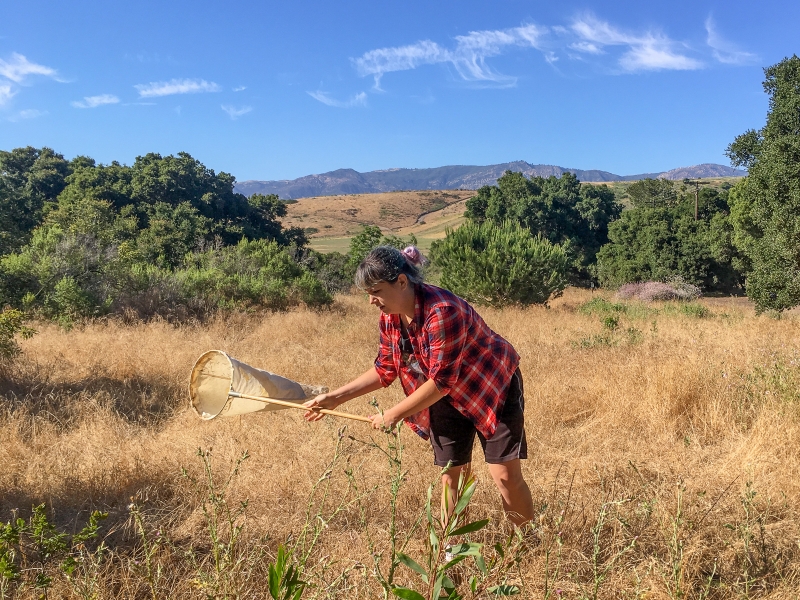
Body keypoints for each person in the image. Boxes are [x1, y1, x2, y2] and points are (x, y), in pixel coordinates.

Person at [303, 245, 534, 527]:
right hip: (443, 398)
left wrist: (393, 414)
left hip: (490, 388)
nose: (371, 301)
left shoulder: (442, 311)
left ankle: (524, 543)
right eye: (368, 294)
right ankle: (449, 556)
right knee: (452, 476)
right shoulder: (390, 317)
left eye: (375, 292)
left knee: (505, 475)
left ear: (401, 282)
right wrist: (335, 398)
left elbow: (441, 382)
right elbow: (386, 368)